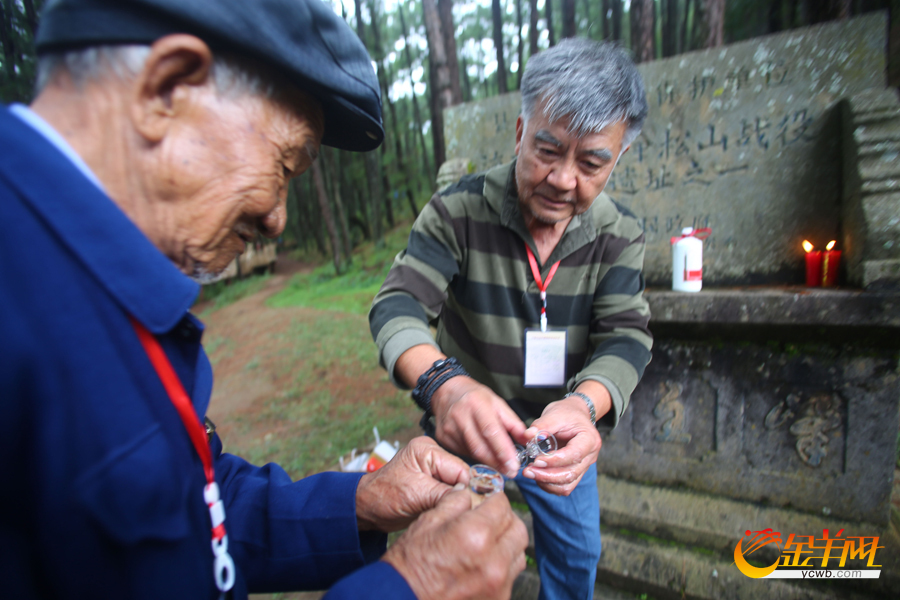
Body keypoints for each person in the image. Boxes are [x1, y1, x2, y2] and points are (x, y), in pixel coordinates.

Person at [0, 1, 528, 599]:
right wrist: (409, 588)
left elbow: (191, 508)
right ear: (168, 88)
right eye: (285, 164)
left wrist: (359, 502)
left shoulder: (100, 282)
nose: (277, 220)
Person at [369, 39, 652, 600]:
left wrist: (583, 407)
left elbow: (626, 335)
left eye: (592, 163)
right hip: (464, 433)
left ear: (616, 160)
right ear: (521, 131)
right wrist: (443, 386)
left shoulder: (619, 235)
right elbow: (398, 304)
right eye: (548, 150)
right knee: (451, 564)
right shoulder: (457, 211)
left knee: (576, 560)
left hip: (559, 441)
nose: (565, 180)